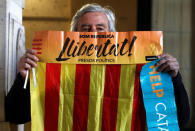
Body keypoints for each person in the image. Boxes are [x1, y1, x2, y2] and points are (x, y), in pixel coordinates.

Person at [5, 3, 190, 128]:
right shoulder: (55, 70)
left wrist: (174, 79)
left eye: (100, 28)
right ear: (73, 35)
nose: (93, 34)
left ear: (112, 34)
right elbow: (15, 115)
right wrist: (24, 76)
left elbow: (179, 121)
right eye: (86, 29)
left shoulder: (139, 69)